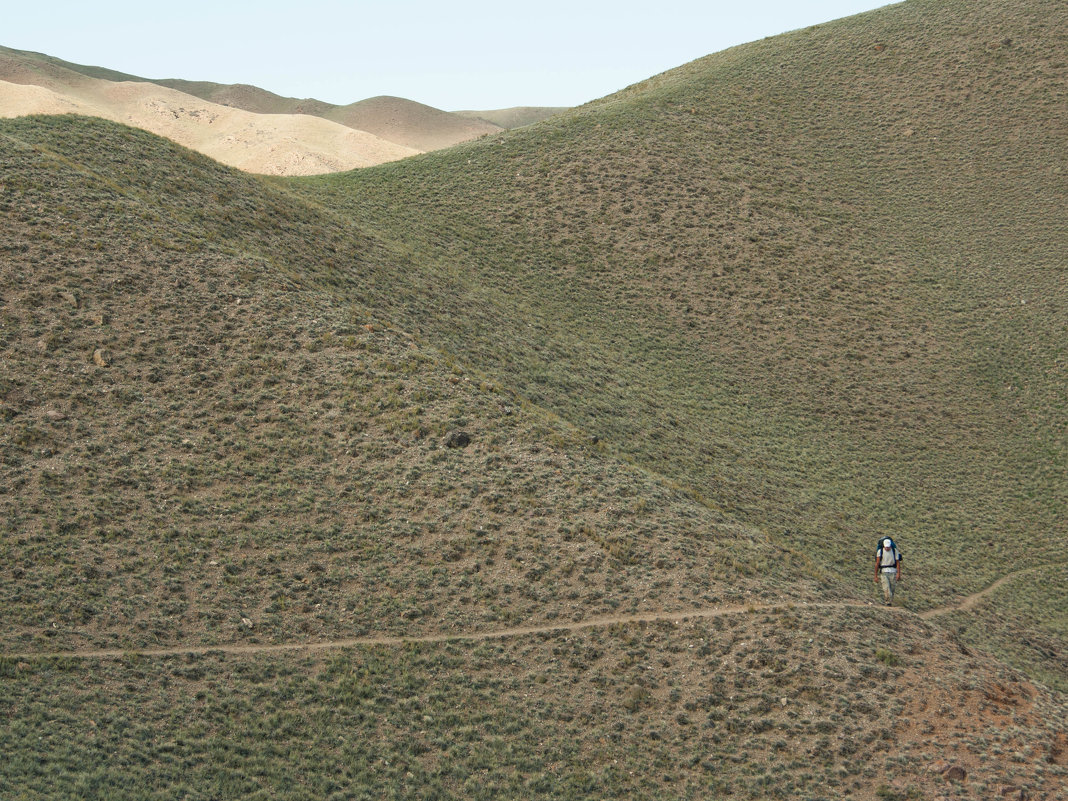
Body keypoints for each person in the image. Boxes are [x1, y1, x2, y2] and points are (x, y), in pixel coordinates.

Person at [874, 537, 902, 606]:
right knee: (886, 588)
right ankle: (888, 603)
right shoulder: (880, 551)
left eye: (888, 547)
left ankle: (889, 602)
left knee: (892, 589)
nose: (887, 548)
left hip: (893, 571)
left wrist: (898, 574)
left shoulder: (894, 551)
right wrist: (876, 576)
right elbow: (877, 564)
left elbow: (898, 563)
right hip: (884, 572)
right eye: (886, 547)